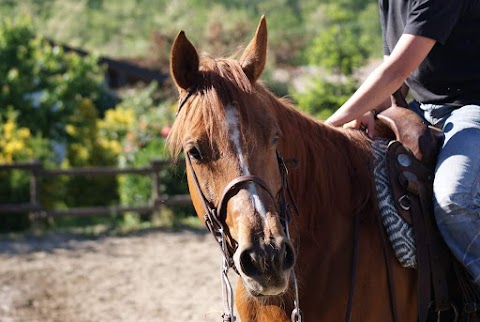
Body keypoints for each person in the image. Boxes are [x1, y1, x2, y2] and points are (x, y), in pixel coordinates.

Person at [326, 0, 480, 286]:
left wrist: (328, 127)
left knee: (454, 199)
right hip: (423, 107)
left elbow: (396, 71)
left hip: (472, 107)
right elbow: (396, 75)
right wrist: (371, 110)